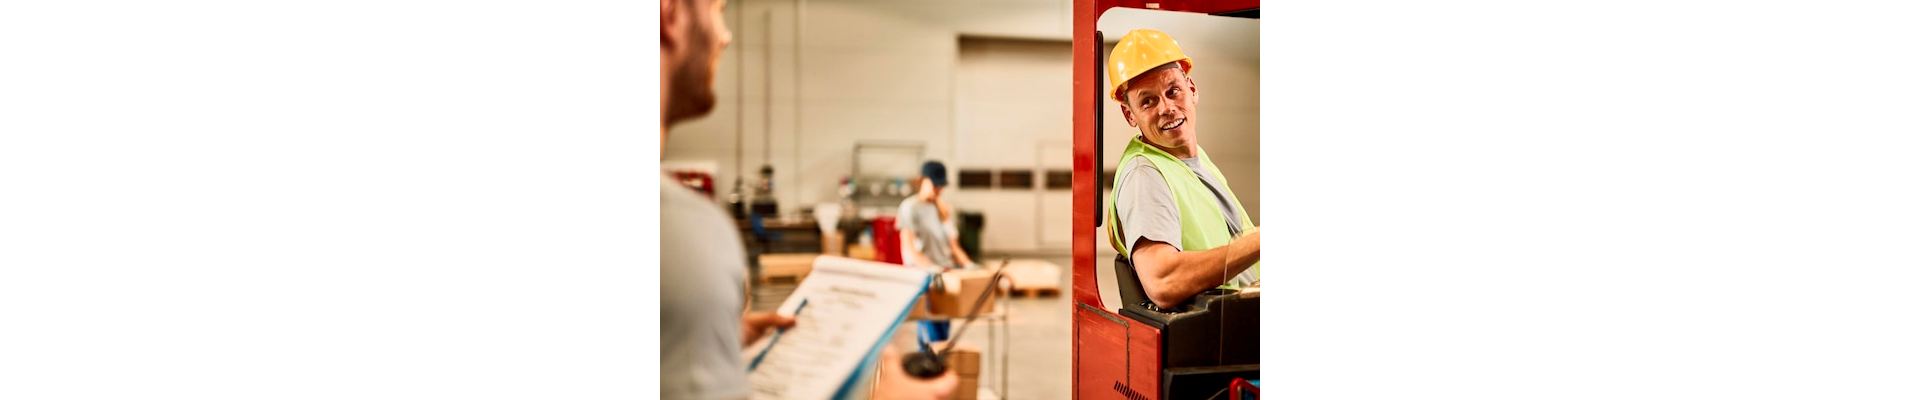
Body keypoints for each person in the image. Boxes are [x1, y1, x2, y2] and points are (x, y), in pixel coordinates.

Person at [658, 0, 957, 398]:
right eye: (717, 9)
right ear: (670, 13)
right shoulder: (684, 232)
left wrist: (716, 339)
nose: (725, 36)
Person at [1103, 29, 1261, 310]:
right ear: (1130, 115)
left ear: (1192, 89)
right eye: (1148, 101)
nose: (1167, 108)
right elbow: (1163, 281)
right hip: (1216, 330)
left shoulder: (1194, 159)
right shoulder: (1144, 175)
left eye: (1173, 91)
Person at [897, 160, 976, 271]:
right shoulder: (909, 207)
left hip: (945, 269)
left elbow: (954, 247)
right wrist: (932, 268)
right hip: (922, 272)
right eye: (934, 185)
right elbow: (909, 248)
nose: (938, 189)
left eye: (941, 185)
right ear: (922, 180)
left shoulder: (943, 209)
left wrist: (969, 264)